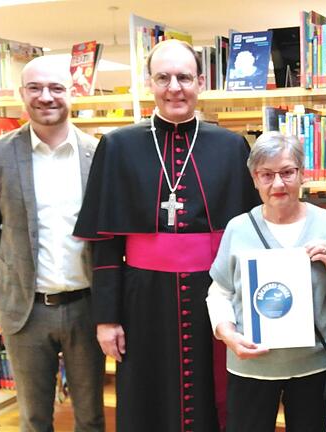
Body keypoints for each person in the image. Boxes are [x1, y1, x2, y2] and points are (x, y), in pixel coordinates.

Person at [73, 39, 259, 432]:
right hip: (143, 300)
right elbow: (105, 244)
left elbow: (248, 236)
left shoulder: (230, 146)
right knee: (147, 397)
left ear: (200, 82)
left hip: (212, 294)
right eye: (163, 78)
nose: (175, 87)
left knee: (214, 398)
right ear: (150, 83)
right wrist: (107, 319)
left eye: (184, 77)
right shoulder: (118, 146)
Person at [0, 55, 104, 431]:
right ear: (21, 94)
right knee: (33, 417)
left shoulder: (98, 153)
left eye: (56, 88)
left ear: (72, 93)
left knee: (91, 417)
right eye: (35, 87)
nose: (46, 96)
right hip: (26, 311)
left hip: (87, 307)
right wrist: (19, 268)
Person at [207, 132, 326, 431]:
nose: (278, 184)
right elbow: (220, 291)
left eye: (288, 172)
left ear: (302, 175)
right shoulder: (238, 228)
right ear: (254, 179)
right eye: (266, 175)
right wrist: (227, 334)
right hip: (251, 364)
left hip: (313, 365)